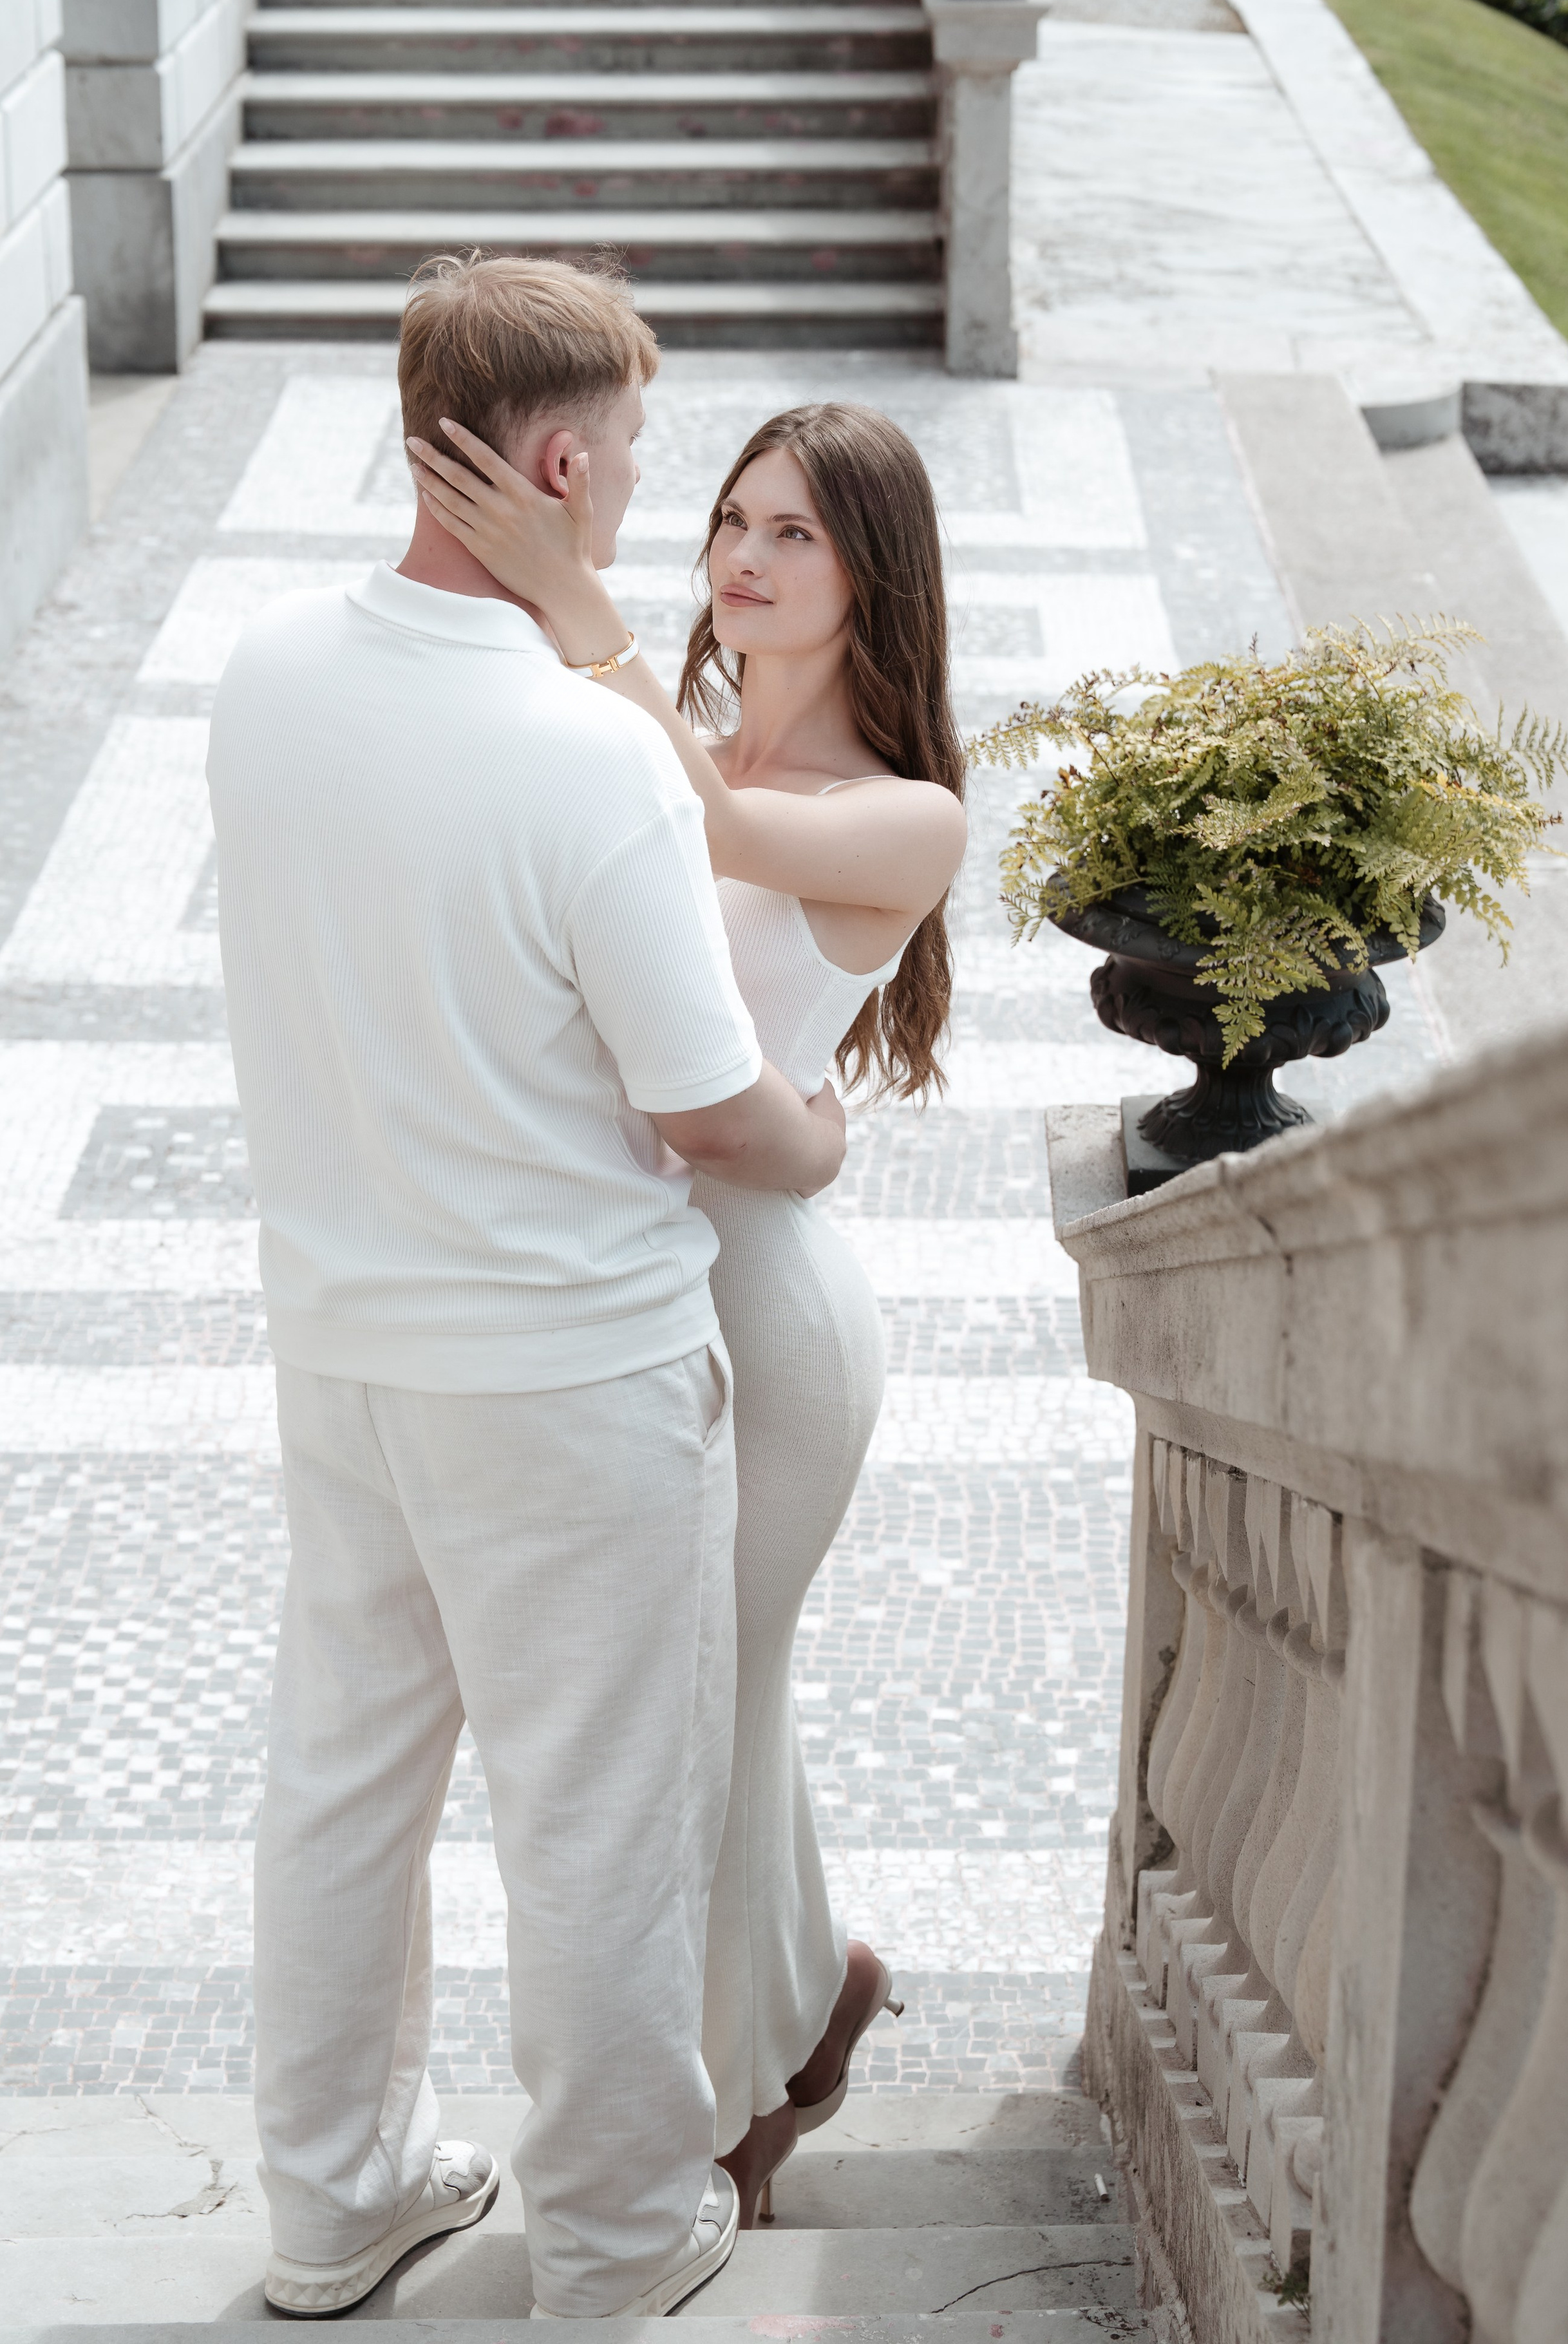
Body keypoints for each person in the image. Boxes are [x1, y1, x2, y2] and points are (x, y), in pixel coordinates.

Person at [207, 254, 847, 2321]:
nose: (652, 494)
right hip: (570, 1376)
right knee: (594, 1819)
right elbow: (710, 1116)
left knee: (343, 1783)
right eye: (645, 456)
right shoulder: (589, 760)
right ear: (563, 463)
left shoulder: (264, 669)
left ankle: (326, 2215)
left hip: (345, 1344)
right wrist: (819, 1137)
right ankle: (618, 2236)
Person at [406, 398, 968, 2226]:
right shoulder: (670, 732)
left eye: (796, 532)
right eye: (732, 515)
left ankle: (728, 2101)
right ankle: (812, 2003)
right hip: (629, 1271)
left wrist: (574, 599)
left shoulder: (907, 816)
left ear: (874, 575)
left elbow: (706, 822)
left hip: (772, 1319)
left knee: (707, 1696)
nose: (743, 552)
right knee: (724, 1691)